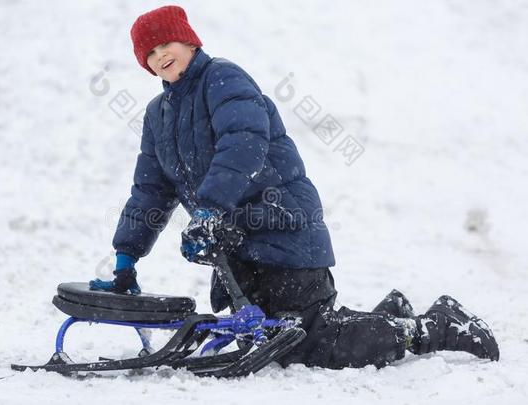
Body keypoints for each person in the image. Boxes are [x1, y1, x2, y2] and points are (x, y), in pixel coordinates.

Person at [90, 5, 499, 369]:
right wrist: (126, 257)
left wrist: (209, 209)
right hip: (235, 244)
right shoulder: (157, 114)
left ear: (190, 42)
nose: (160, 55)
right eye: (149, 51)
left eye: (167, 43)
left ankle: (433, 327)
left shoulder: (223, 78)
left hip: (281, 225)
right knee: (271, 335)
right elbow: (150, 189)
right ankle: (390, 312)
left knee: (310, 341)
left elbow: (244, 143)